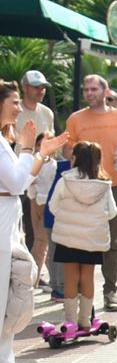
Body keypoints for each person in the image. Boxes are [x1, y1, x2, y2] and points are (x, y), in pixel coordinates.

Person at [0, 82, 71, 363]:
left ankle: (5, 355)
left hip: (9, 218)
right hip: (3, 219)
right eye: (15, 102)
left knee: (12, 287)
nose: (19, 108)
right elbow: (16, 182)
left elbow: (23, 179)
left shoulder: (4, 140)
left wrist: (41, 154)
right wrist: (30, 148)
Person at [61, 75, 117, 311]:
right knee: (81, 239)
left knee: (111, 241)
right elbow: (68, 149)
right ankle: (81, 293)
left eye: (94, 89)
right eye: (86, 89)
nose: (89, 93)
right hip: (83, 186)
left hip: (115, 185)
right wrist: (73, 157)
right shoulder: (75, 119)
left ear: (105, 91)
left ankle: (110, 291)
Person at [48, 141, 117, 336]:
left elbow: (53, 206)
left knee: (70, 275)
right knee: (87, 275)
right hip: (92, 238)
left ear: (76, 158)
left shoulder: (65, 181)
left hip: (68, 237)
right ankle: (85, 320)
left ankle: (69, 320)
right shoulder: (104, 184)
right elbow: (112, 212)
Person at [19, 71, 57, 291]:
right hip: (14, 177)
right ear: (25, 87)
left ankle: (34, 273)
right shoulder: (15, 110)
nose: (40, 90)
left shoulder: (47, 113)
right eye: (35, 86)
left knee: (38, 233)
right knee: (22, 229)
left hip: (40, 179)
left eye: (43, 86)